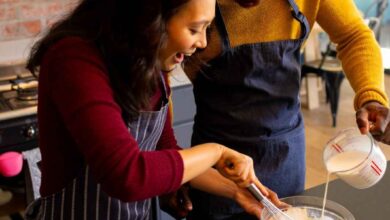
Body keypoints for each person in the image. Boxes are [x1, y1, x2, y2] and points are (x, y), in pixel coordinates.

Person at [25, 0, 285, 219]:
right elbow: (127, 175)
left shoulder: (148, 64)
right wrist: (215, 152)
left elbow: (166, 151)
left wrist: (236, 190)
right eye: (195, 29)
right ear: (151, 18)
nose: (203, 42)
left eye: (207, 28)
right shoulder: (73, 59)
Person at [179, 0, 390, 219]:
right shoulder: (195, 7)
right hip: (214, 169)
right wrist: (176, 166)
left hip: (286, 155)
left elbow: (353, 35)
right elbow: (158, 77)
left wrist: (371, 97)